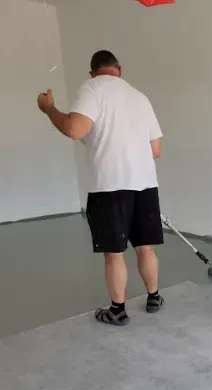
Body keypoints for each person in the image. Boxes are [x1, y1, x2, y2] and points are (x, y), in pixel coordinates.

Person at [37, 50, 165, 326]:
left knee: (114, 252)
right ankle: (154, 296)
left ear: (93, 72)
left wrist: (50, 109)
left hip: (109, 187)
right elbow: (156, 149)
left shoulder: (93, 87)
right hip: (145, 185)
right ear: (119, 69)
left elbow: (74, 129)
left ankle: (118, 310)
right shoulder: (140, 97)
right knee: (146, 248)